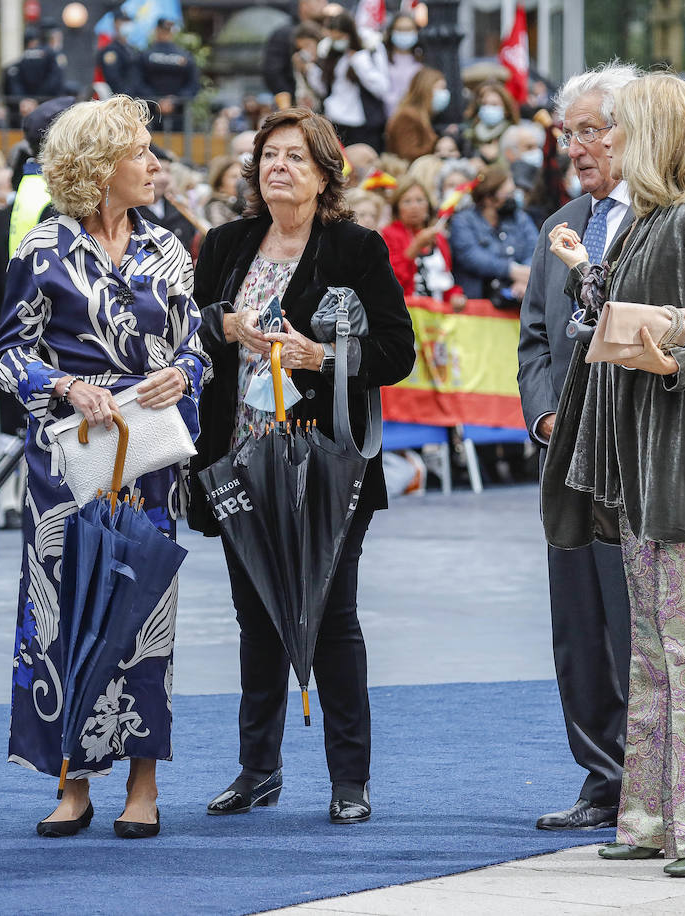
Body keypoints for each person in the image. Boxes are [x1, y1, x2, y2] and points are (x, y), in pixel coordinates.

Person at [544, 72, 685, 878]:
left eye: (622, 128)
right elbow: (629, 314)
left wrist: (681, 360)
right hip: (639, 465)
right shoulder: (645, 223)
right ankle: (647, 816)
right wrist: (588, 276)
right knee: (651, 649)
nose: (608, 142)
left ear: (658, 136)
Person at [0, 95, 209, 839]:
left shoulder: (170, 249)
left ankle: (143, 786)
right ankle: (72, 783)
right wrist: (65, 386)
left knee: (143, 615)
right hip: (68, 467)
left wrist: (184, 374)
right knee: (67, 616)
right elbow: (8, 355)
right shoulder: (40, 249)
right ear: (96, 168)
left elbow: (195, 346)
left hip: (149, 463)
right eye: (140, 153)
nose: (156, 165)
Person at [190, 107, 415, 825]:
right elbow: (189, 334)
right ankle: (259, 769)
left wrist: (323, 357)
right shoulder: (225, 243)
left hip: (325, 463)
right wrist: (222, 328)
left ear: (324, 175)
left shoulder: (354, 248)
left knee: (331, 616)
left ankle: (350, 779)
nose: (278, 166)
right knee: (255, 617)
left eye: (295, 157)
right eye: (268, 155)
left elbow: (397, 351)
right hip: (240, 461)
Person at [516, 61, 638, 834]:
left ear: (633, 133)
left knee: (636, 624)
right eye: (571, 134)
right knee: (579, 626)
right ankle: (600, 777)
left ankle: (652, 779)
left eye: (591, 130)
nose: (578, 147)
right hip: (570, 463)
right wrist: (546, 416)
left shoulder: (667, 218)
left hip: (636, 460)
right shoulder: (558, 221)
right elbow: (532, 338)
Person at [448, 163, 539, 307]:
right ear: (488, 199)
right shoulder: (463, 221)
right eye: (507, 195)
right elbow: (471, 256)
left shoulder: (519, 217)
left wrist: (524, 278)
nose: (513, 200)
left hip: (517, 303)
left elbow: (535, 249)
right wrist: (510, 270)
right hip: (477, 304)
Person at [308, 13, 390, 149]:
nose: (338, 41)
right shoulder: (331, 53)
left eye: (340, 37)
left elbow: (381, 88)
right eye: (334, 38)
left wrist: (359, 62)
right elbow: (325, 89)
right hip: (336, 121)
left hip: (363, 125)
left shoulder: (370, 50)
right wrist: (310, 70)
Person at [380, 177, 465, 307]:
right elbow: (391, 281)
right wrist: (416, 247)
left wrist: (455, 295)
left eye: (420, 200)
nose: (414, 207)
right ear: (397, 209)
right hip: (408, 312)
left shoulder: (439, 238)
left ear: (428, 206)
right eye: (407, 202)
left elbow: (444, 279)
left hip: (437, 315)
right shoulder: (389, 234)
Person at [264, 0, 328, 110]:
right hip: (297, 105)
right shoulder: (285, 34)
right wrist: (291, 101)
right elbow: (273, 72)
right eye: (318, 0)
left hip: (328, 106)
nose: (324, 3)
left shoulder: (329, 31)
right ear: (303, 4)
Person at [141, 19, 202, 133]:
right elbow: (193, 85)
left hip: (156, 112)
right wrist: (173, 101)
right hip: (163, 112)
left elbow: (193, 84)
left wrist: (161, 102)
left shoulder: (145, 55)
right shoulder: (185, 56)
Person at [385, 67, 446, 162]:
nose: (444, 93)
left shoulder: (420, 115)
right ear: (426, 90)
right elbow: (408, 155)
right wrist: (437, 144)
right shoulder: (407, 116)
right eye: (440, 88)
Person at [4, 27, 65, 106]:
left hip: (24, 107)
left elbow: (14, 87)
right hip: (49, 105)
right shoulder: (51, 57)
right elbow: (55, 81)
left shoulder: (16, 65)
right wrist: (38, 100)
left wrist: (25, 101)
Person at [464, 81, 519, 163]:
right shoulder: (471, 133)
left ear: (506, 110)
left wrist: (497, 157)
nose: (488, 108)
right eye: (485, 103)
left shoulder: (514, 134)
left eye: (494, 104)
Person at [382, 12, 423, 116]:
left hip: (415, 117)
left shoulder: (423, 58)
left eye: (409, 29)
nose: (404, 33)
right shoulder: (381, 57)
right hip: (385, 120)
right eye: (400, 29)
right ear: (392, 31)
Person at [99, 12, 147, 100]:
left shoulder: (133, 49)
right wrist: (127, 96)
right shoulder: (111, 51)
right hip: (120, 98)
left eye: (128, 21)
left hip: (137, 97)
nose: (127, 25)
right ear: (115, 24)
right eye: (123, 21)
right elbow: (113, 79)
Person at [204, 155, 244, 228]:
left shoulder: (240, 203)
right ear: (220, 184)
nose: (241, 181)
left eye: (243, 176)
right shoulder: (216, 207)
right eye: (234, 177)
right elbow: (222, 236)